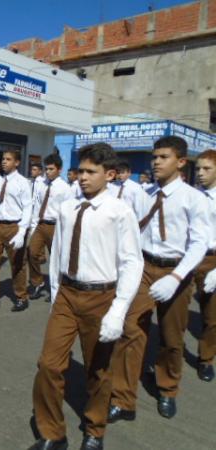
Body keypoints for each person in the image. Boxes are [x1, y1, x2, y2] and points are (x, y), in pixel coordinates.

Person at [28, 142, 143, 450]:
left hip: (101, 297)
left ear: (110, 174)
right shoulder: (67, 208)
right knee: (49, 365)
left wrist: (119, 310)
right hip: (67, 294)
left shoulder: (120, 211)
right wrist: (55, 296)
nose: (83, 177)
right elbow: (57, 257)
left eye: (92, 172)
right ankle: (53, 433)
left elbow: (132, 262)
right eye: (81, 171)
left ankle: (95, 429)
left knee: (99, 370)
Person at [109, 136, 210, 422]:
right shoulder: (145, 193)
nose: (155, 162)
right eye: (154, 157)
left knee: (171, 337)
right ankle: (122, 397)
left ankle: (167, 388)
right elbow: (134, 231)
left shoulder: (194, 198)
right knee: (130, 330)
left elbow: (199, 243)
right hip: (143, 267)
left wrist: (177, 277)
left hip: (175, 271)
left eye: (163, 157)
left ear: (180, 162)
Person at [0, 150, 32, 313]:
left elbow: (28, 207)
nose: (4, 162)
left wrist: (22, 231)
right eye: (3, 159)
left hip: (14, 227)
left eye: (8, 159)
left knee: (17, 263)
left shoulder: (23, 182)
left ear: (16, 163)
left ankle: (21, 297)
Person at [28, 154, 73, 300]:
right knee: (32, 252)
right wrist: (33, 225)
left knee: (57, 259)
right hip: (41, 225)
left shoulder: (65, 188)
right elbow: (37, 206)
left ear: (59, 170)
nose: (48, 172)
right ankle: (37, 283)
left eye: (51, 169)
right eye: (46, 169)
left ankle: (57, 287)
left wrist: (66, 232)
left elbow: (69, 212)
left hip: (56, 227)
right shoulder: (42, 185)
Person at [193, 149, 216, 382]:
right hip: (188, 258)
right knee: (173, 313)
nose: (200, 173)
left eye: (206, 169)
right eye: (198, 168)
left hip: (212, 259)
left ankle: (206, 358)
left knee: (211, 316)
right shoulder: (193, 195)